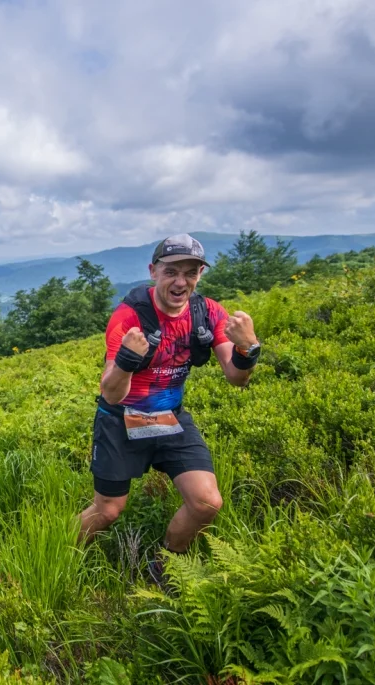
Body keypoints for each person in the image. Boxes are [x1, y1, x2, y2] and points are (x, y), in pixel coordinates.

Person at [77, 234, 261, 586]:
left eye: (191, 272)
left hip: (169, 417)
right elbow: (111, 394)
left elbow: (237, 379)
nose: (181, 282)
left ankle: (165, 567)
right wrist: (129, 360)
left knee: (206, 502)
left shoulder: (207, 313)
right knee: (108, 510)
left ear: (200, 275)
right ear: (153, 271)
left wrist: (248, 348)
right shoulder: (129, 318)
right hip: (120, 420)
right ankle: (61, 553)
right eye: (171, 271)